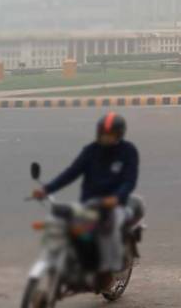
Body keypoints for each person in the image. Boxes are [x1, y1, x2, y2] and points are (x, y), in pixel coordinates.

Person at [32, 112, 141, 288]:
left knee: (109, 230)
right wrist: (46, 189)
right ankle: (75, 264)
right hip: (89, 204)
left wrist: (116, 198)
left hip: (115, 206)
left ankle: (109, 270)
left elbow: (130, 181)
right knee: (66, 227)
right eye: (103, 134)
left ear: (119, 135)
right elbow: (71, 173)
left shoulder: (128, 152)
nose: (105, 138)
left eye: (110, 135)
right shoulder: (91, 151)